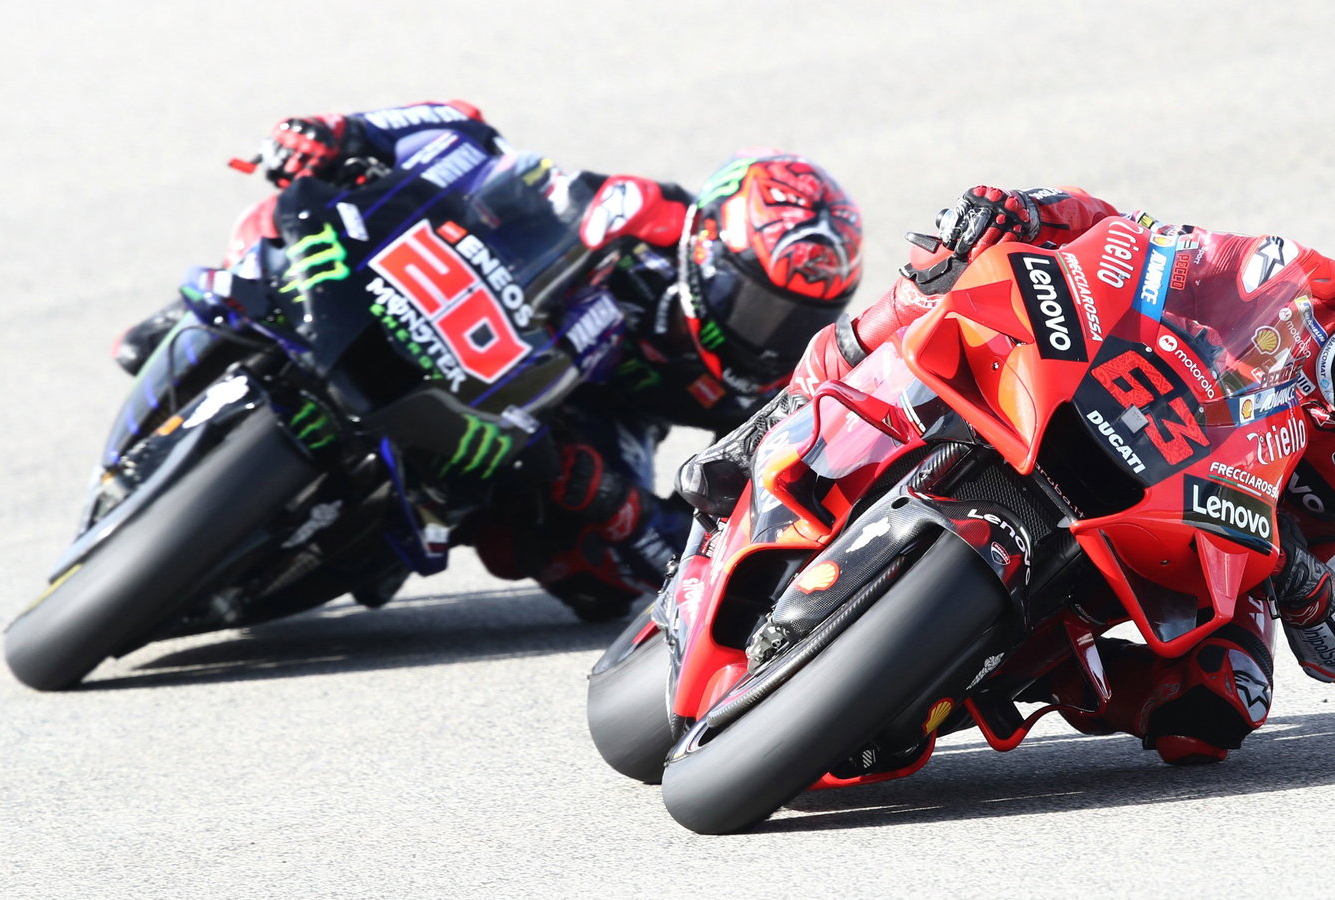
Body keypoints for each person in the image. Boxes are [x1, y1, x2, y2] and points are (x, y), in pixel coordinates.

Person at [678, 184, 1335, 764]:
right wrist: (1020, 209)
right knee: (943, 285)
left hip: (1233, 545)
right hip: (1126, 422)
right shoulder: (1283, 275)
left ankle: (1038, 668)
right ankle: (769, 429)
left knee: (1219, 713)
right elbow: (1132, 238)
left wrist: (1302, 572)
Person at [114, 101, 863, 621]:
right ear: (708, 251)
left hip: (579, 420)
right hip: (485, 319)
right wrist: (344, 134)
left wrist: (626, 506)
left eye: (798, 318)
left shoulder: (772, 381)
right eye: (761, 306)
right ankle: (210, 315)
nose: (770, 333)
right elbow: (470, 137)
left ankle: (386, 523)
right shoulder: (640, 210)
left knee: (604, 582)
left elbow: (748, 520)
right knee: (304, 225)